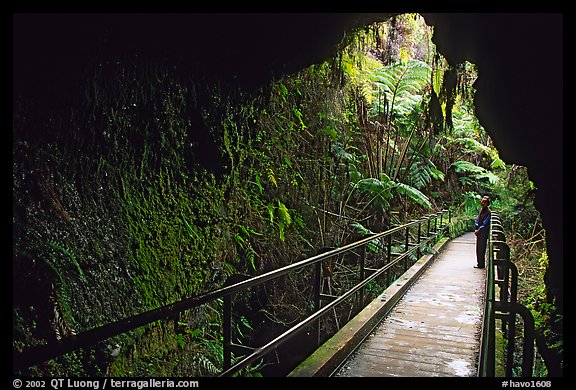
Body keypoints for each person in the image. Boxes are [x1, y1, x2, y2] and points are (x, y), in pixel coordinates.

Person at [474, 195, 491, 268]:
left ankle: (481, 264)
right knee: (478, 248)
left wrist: (479, 230)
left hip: (483, 232)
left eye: (484, 202)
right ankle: (479, 263)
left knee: (481, 248)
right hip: (479, 232)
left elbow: (485, 223)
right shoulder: (481, 210)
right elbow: (477, 219)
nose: (482, 203)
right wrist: (476, 227)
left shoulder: (488, 212)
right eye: (482, 201)